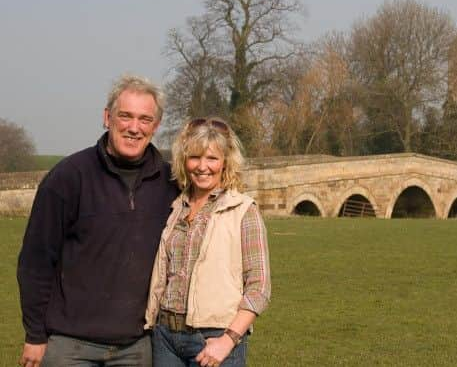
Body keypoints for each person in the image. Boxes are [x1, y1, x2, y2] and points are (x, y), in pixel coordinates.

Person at [17, 75, 179, 367]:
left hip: (137, 346)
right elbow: (35, 262)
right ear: (107, 117)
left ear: (156, 126)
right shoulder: (68, 177)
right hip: (70, 346)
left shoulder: (172, 183)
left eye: (145, 119)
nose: (134, 127)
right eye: (125, 116)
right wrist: (35, 335)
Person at [144, 117, 271, 367]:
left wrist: (229, 339)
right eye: (195, 157)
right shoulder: (175, 208)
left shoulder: (243, 210)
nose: (202, 167)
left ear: (225, 163)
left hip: (214, 339)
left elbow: (260, 286)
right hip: (166, 338)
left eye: (212, 158)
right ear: (184, 161)